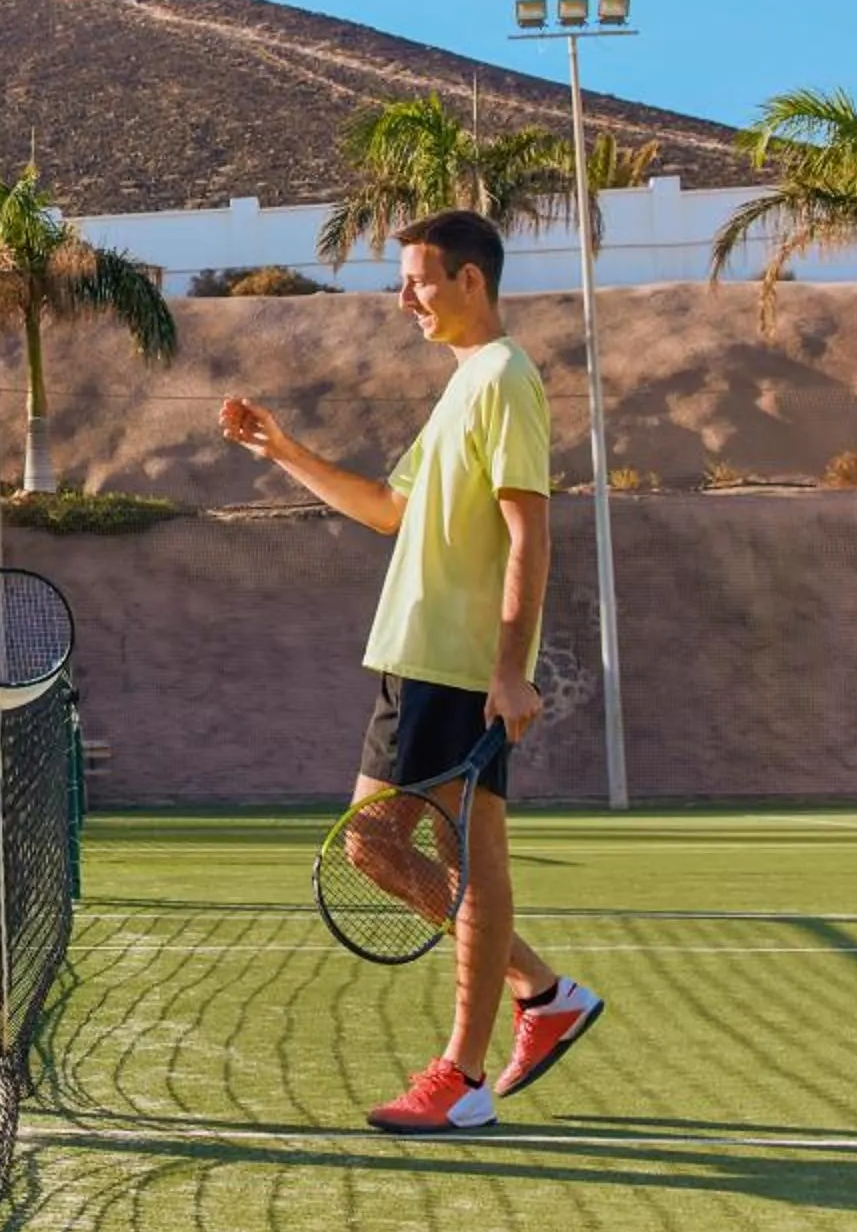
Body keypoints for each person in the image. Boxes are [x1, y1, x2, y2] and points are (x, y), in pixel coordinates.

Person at [217, 209, 605, 1133]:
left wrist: (508, 672)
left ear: (472, 280)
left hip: (457, 668)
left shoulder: (506, 378)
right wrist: (284, 450)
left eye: (421, 281)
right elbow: (390, 511)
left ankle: (467, 1072)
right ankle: (539, 995)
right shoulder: (466, 385)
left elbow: (529, 531)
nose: (405, 299)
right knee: (394, 847)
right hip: (417, 662)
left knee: (434, 853)